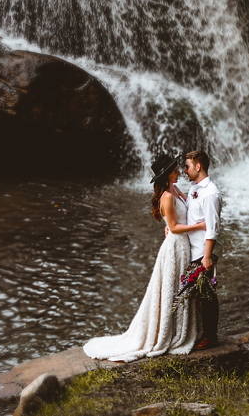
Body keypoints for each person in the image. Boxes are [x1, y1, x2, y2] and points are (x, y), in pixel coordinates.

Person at [83, 154, 206, 361]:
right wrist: (200, 226)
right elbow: (175, 227)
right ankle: (168, 333)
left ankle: (182, 328)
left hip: (183, 245)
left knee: (179, 286)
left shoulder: (173, 190)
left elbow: (176, 218)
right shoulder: (166, 196)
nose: (179, 172)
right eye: (175, 170)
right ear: (167, 174)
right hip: (176, 247)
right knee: (173, 287)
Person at [183, 148, 222, 350]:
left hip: (203, 252)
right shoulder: (194, 188)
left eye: (187, 166)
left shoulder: (210, 193)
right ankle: (201, 333)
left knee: (206, 294)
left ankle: (210, 337)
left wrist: (207, 257)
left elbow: (212, 227)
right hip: (194, 249)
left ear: (198, 166)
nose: (184, 170)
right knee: (198, 293)